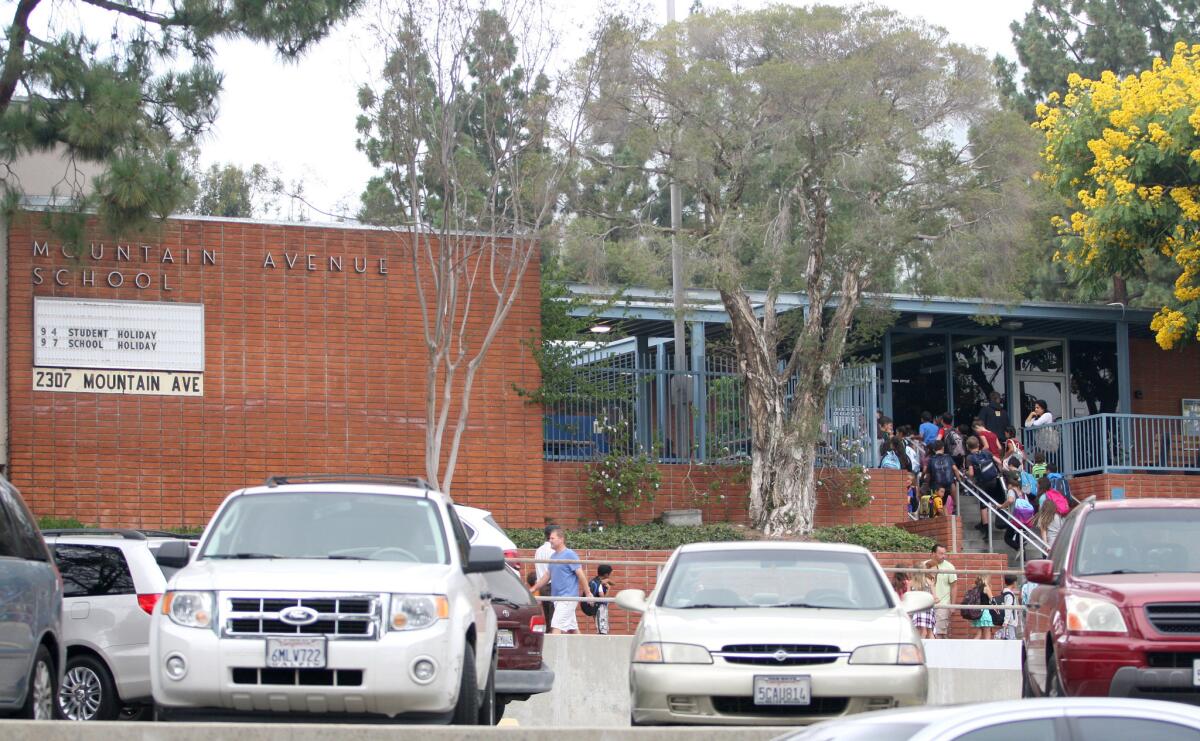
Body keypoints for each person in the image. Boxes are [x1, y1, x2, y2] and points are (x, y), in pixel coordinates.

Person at [530, 526, 593, 634]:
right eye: (549, 538)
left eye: (552, 538)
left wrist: (588, 593)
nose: (550, 541)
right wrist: (534, 588)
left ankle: (552, 651)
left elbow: (581, 575)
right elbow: (547, 575)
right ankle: (583, 650)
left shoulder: (570, 554)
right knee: (573, 629)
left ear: (561, 539)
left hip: (567, 598)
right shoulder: (553, 556)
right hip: (558, 598)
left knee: (556, 626)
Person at [965, 436, 1004, 533]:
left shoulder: (970, 457)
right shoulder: (987, 452)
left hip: (982, 483)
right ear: (978, 444)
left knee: (984, 504)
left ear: (967, 447)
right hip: (994, 480)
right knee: (996, 500)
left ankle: (986, 528)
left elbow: (971, 473)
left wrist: (967, 475)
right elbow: (999, 461)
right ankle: (992, 521)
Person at [930, 543, 957, 639]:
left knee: (939, 632)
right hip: (927, 605)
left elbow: (954, 587)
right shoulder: (925, 565)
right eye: (941, 553)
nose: (943, 556)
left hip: (943, 604)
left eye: (944, 554)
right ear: (933, 554)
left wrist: (952, 605)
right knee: (927, 632)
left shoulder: (949, 567)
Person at [533, 523, 557, 625]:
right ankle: (553, 638)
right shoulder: (553, 550)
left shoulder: (538, 550)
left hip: (541, 586)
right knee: (554, 618)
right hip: (551, 585)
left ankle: (548, 637)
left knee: (547, 617)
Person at [909, 562, 936, 639]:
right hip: (928, 608)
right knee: (929, 631)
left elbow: (908, 597)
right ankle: (934, 649)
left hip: (916, 608)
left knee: (920, 631)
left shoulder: (911, 583)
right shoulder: (929, 582)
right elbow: (935, 598)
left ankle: (920, 649)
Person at [588, 564, 613, 635]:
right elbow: (603, 599)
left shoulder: (594, 581)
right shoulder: (600, 584)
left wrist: (608, 580)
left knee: (601, 628)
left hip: (596, 608)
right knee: (602, 629)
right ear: (606, 574)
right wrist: (608, 589)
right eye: (610, 574)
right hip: (600, 608)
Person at [995, 576, 1021, 640]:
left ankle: (999, 634)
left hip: (1008, 621)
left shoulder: (1005, 593)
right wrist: (1006, 621)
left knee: (1009, 638)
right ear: (1014, 583)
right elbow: (1008, 608)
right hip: (1010, 621)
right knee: (1011, 640)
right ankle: (998, 635)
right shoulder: (1009, 595)